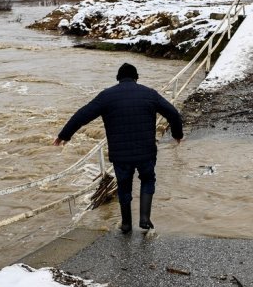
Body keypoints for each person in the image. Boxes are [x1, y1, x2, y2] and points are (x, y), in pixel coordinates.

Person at [53, 62, 183, 234]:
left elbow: (82, 115)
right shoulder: (149, 94)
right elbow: (173, 113)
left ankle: (126, 224)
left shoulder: (107, 96)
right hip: (146, 152)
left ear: (118, 78)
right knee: (148, 180)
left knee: (124, 185)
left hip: (121, 155)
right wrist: (177, 134)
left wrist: (65, 135)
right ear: (136, 77)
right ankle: (144, 219)